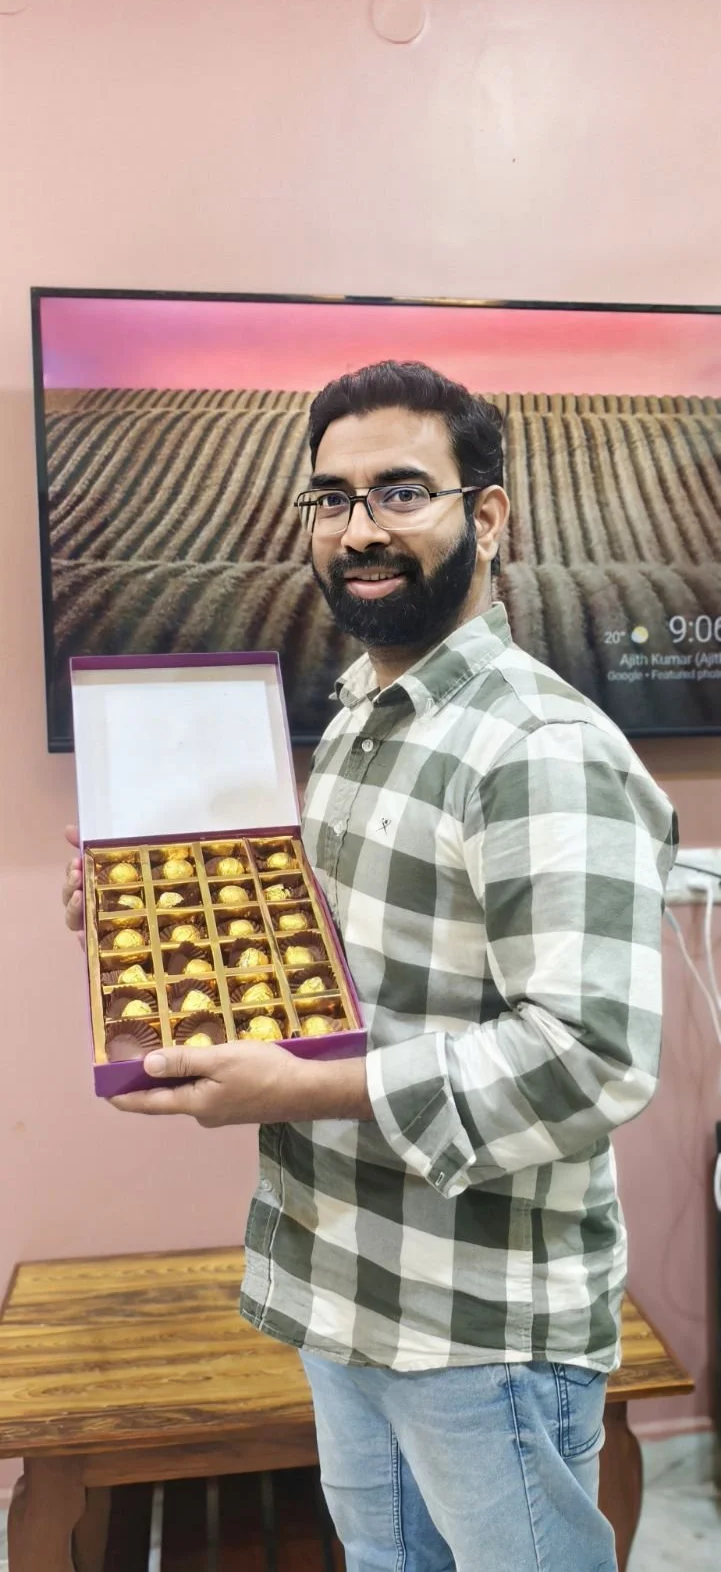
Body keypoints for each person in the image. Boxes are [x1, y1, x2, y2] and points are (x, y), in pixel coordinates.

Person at [63, 360, 677, 1572]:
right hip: (341, 1275)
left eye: (400, 493)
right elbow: (359, 969)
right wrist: (148, 917)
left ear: (485, 515)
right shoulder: (358, 712)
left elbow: (591, 1059)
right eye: (331, 498)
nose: (359, 530)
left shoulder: (538, 748)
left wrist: (296, 1088)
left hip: (476, 1316)